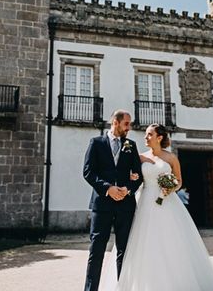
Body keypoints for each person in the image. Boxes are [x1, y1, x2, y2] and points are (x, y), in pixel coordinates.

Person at [100, 123, 213, 291]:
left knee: (171, 241)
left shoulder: (171, 158)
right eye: (146, 134)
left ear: (159, 137)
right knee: (142, 241)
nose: (146, 137)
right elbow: (133, 177)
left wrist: (171, 188)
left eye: (149, 134)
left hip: (168, 203)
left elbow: (179, 181)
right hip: (144, 202)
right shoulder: (140, 157)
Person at [83, 109, 143, 291]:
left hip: (125, 206)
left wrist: (128, 189)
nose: (129, 128)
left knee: (124, 251)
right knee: (96, 251)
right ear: (115, 122)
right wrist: (108, 188)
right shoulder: (96, 143)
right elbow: (88, 172)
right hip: (102, 205)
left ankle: (123, 288)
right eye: (126, 124)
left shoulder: (131, 146)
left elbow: (138, 175)